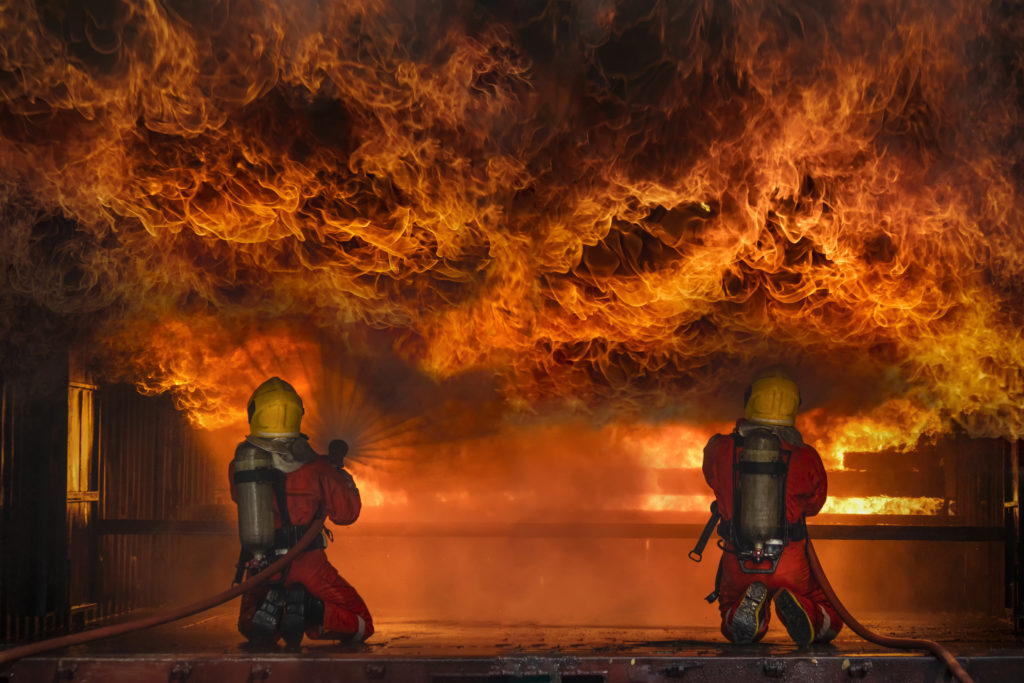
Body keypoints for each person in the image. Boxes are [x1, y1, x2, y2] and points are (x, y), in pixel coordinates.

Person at [699, 369, 843, 646]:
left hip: (737, 557)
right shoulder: (806, 457)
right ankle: (801, 606)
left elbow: (711, 477)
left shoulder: (720, 450)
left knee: (730, 608)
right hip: (789, 560)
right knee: (827, 610)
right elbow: (815, 504)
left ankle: (750, 615)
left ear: (751, 401)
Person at [229, 377, 373, 648]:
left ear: (255, 413)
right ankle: (310, 610)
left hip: (263, 567)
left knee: (252, 627)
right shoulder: (319, 467)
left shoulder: (241, 464)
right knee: (361, 623)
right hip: (310, 567)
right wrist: (342, 477)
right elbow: (347, 514)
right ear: (296, 415)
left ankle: (275, 607)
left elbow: (240, 497)